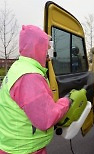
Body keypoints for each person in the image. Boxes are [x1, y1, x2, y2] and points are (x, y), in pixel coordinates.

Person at [0, 25, 71, 154]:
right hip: (24, 149)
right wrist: (66, 102)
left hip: (14, 144)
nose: (48, 52)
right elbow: (46, 118)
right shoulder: (30, 76)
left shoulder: (19, 67)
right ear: (37, 47)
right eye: (46, 47)